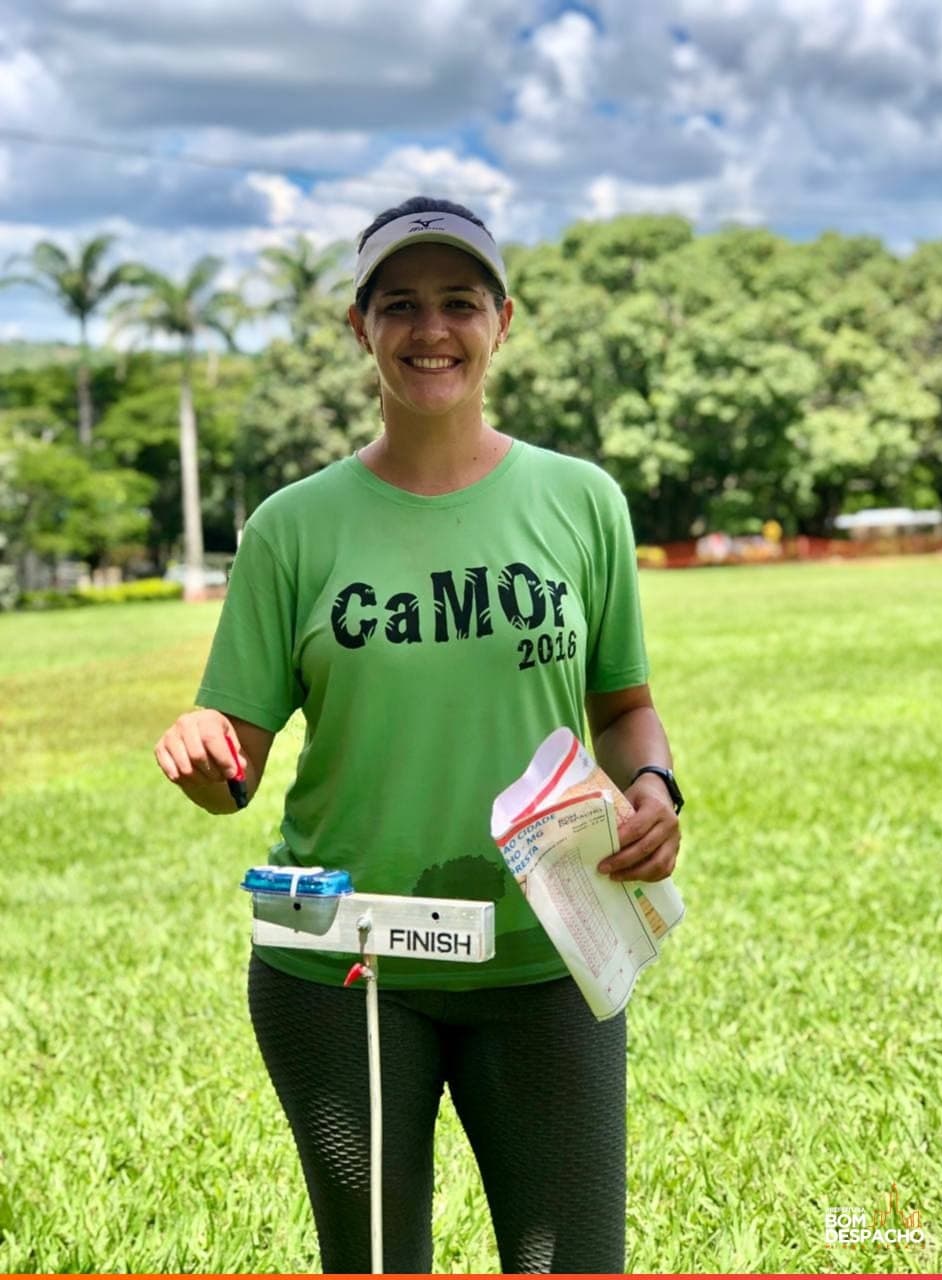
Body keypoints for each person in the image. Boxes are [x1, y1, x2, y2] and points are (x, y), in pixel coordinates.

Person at [154, 195, 682, 1274]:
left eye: (459, 302)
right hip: (343, 964)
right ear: (361, 326)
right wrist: (204, 749)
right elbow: (233, 769)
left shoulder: (581, 501)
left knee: (577, 1260)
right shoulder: (292, 527)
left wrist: (657, 788)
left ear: (503, 321)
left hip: (547, 953)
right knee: (375, 1263)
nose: (430, 328)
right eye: (399, 304)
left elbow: (623, 707)